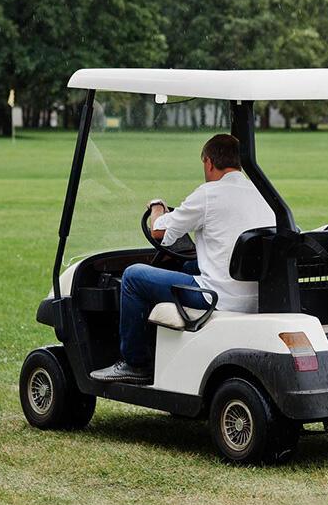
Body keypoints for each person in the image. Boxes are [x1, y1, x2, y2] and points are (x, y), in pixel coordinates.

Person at [90, 134, 276, 383]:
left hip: (219, 297)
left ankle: (134, 363)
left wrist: (157, 207)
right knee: (189, 265)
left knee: (134, 277)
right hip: (254, 294)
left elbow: (159, 231)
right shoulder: (262, 193)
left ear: (209, 163)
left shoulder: (209, 194)